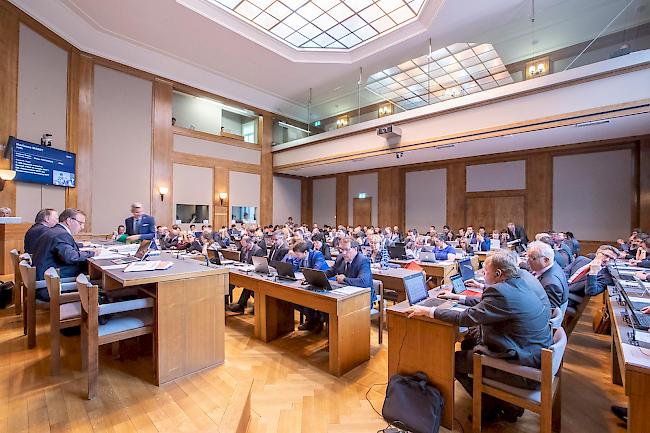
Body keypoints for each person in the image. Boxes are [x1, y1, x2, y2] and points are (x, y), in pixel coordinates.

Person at [407, 250, 552, 423]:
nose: (483, 274)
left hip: (521, 368)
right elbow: (486, 305)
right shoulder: (517, 282)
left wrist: (429, 311)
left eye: (486, 271)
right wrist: (457, 298)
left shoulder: (501, 293)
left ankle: (490, 409)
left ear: (498, 273)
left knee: (452, 361)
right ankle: (500, 403)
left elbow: (466, 318)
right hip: (532, 353)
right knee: (469, 343)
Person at [31, 209, 101, 300]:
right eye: (80, 223)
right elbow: (70, 257)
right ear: (69, 221)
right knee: (97, 280)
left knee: (92, 275)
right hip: (49, 286)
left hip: (46, 279)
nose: (82, 227)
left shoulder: (55, 231)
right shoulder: (61, 234)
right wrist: (92, 253)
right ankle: (101, 306)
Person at [284, 240, 329, 331]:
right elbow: (293, 269)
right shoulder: (300, 258)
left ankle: (315, 320)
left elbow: (316, 270)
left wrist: (307, 277)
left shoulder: (317, 254)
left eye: (298, 254)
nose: (296, 256)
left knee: (306, 298)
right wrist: (290, 258)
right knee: (292, 299)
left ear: (305, 252)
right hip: (310, 284)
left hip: (323, 284)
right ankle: (314, 319)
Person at [564, 245, 618, 310]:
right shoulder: (581, 259)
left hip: (570, 297)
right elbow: (564, 273)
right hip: (560, 288)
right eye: (606, 255)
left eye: (611, 259)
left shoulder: (607, 277)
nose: (607, 260)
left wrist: (593, 272)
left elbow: (591, 291)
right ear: (597, 253)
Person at [325, 238, 373, 305]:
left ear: (355, 249)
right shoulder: (340, 258)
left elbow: (363, 282)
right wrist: (316, 276)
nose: (343, 253)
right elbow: (331, 271)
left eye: (347, 250)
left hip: (362, 298)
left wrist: (344, 279)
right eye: (341, 249)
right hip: (344, 294)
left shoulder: (363, 261)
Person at [226, 236, 265, 313]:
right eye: (243, 246)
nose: (244, 248)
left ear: (250, 243)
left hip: (254, 273)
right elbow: (241, 261)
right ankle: (232, 304)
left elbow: (258, 265)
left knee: (249, 286)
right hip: (243, 271)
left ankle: (243, 305)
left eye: (246, 246)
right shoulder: (243, 248)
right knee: (230, 282)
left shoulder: (258, 250)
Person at [526, 241, 569, 310]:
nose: (528, 261)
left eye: (533, 258)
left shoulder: (551, 284)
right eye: (528, 257)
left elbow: (549, 312)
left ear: (546, 260)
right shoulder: (552, 265)